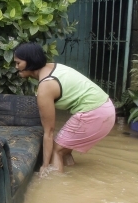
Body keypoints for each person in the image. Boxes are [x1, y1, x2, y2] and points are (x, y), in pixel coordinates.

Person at [13, 42, 115, 175]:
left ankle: (55, 185)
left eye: (18, 63)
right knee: (64, 150)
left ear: (30, 62)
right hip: (107, 109)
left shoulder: (45, 88)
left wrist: (44, 166)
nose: (16, 67)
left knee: (57, 150)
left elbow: (49, 131)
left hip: (94, 112)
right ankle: (70, 176)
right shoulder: (53, 67)